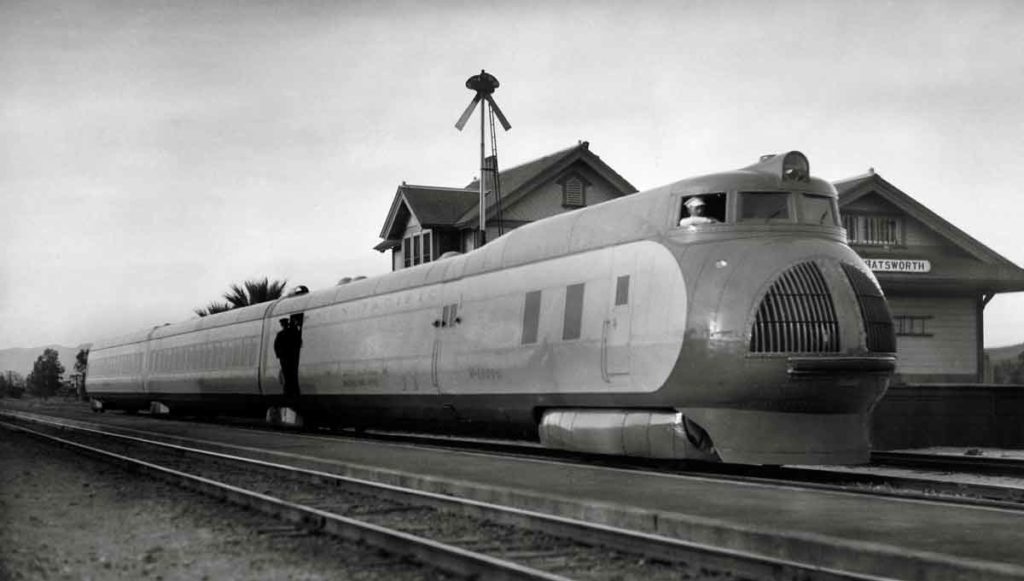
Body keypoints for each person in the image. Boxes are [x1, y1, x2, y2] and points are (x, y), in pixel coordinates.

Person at [273, 318, 302, 400]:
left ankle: (288, 392)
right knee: (292, 375)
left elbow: (276, 346)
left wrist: (280, 356)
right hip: (292, 357)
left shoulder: (280, 334)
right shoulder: (293, 332)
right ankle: (294, 392)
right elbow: (299, 341)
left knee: (287, 376)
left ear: (282, 325)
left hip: (284, 359)